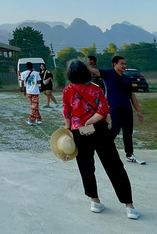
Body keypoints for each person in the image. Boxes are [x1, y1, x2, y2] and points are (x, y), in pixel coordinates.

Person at [62, 59, 140, 220]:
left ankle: (95, 201)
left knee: (86, 167)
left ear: (69, 74)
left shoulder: (67, 90)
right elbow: (104, 110)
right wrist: (91, 121)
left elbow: (67, 114)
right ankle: (129, 206)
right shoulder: (96, 89)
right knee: (114, 166)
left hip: (79, 132)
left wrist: (70, 131)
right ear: (86, 72)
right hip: (99, 130)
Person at [89, 56, 146, 165]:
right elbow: (93, 70)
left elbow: (132, 96)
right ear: (115, 64)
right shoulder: (108, 74)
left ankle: (129, 155)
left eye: (125, 64)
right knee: (115, 129)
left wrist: (138, 111)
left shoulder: (127, 79)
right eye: (122, 64)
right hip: (115, 107)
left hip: (127, 108)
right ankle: (104, 150)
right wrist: (77, 64)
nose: (125, 66)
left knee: (128, 132)